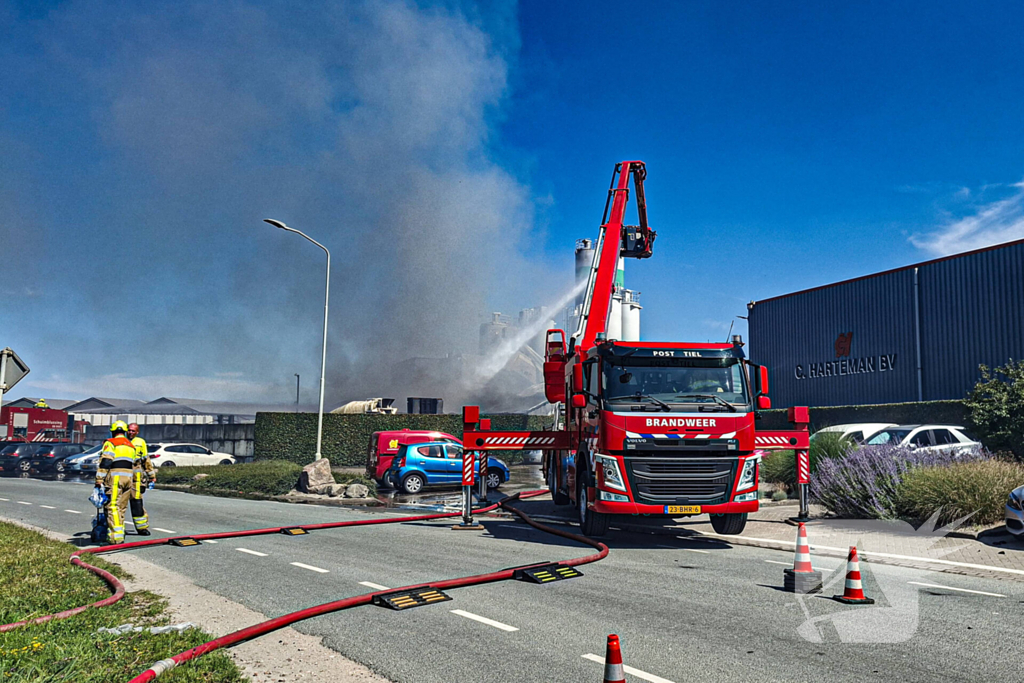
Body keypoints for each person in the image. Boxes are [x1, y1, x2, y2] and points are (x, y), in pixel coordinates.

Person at [94, 421, 137, 544]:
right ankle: (120, 532)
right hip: (128, 479)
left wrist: (99, 479)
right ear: (124, 431)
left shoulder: (111, 443)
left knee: (112, 506)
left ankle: (115, 537)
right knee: (122, 508)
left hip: (115, 478)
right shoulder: (130, 445)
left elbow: (106, 461)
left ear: (113, 431)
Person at [127, 422, 153, 536]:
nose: (130, 432)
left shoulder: (140, 442)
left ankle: (142, 528)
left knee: (137, 503)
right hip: (122, 474)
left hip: (136, 478)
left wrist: (151, 475)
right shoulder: (120, 441)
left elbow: (145, 459)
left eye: (133, 431)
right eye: (129, 430)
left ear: (137, 432)